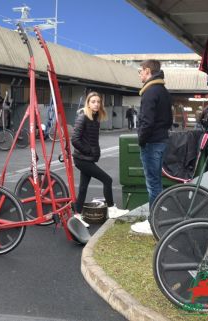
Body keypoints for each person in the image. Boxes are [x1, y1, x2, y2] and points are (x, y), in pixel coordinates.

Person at [72, 91, 129, 222]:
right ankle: (112, 210)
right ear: (88, 103)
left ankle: (77, 215)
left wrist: (92, 152)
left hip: (86, 158)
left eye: (98, 102)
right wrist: (89, 151)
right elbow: (75, 139)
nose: (96, 104)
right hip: (82, 159)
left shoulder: (95, 117)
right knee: (107, 180)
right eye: (93, 102)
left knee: (83, 188)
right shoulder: (83, 117)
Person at [132, 60, 173, 235]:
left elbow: (146, 122)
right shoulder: (163, 90)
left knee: (153, 184)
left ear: (148, 71)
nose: (139, 74)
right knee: (156, 183)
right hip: (161, 140)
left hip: (152, 143)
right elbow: (169, 120)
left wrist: (141, 140)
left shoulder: (149, 92)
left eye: (140, 71)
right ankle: (158, 219)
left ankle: (153, 222)